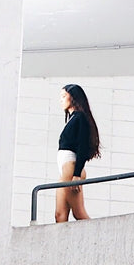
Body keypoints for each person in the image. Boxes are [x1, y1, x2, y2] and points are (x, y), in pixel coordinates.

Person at [55, 83, 101, 222]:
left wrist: (76, 174)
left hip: (72, 168)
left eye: (64, 96)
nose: (61, 100)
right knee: (60, 215)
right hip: (65, 169)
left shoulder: (80, 117)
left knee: (79, 213)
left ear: (73, 97)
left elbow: (82, 146)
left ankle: (100, 239)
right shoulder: (73, 118)